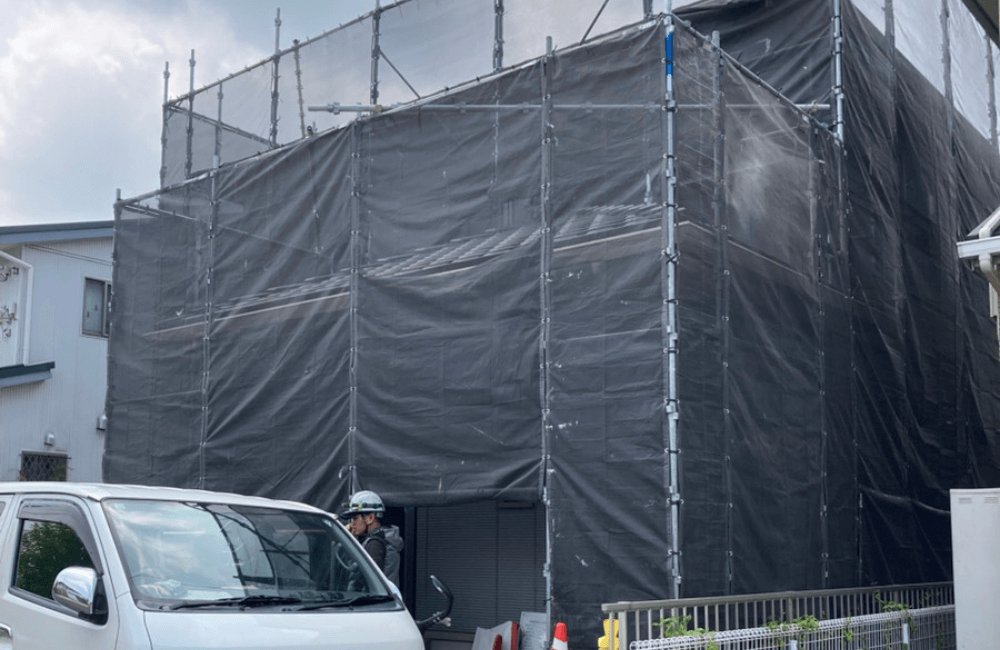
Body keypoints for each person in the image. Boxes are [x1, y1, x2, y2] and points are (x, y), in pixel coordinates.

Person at [341, 490, 403, 587]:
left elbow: (364, 580)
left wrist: (351, 545)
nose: (352, 525)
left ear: (370, 518)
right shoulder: (383, 539)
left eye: (355, 519)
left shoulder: (375, 544)